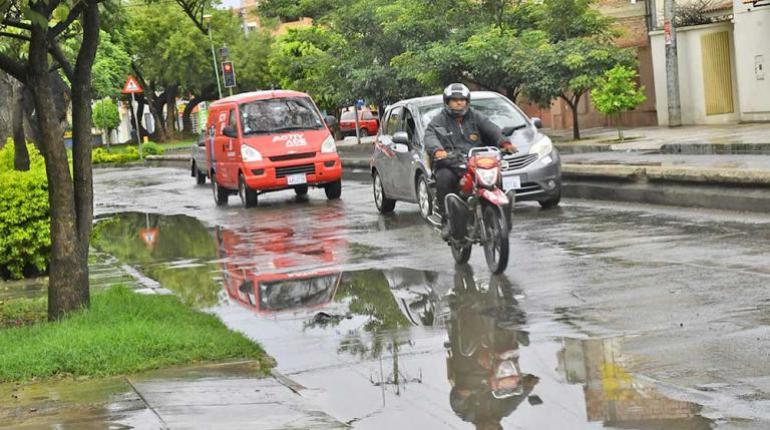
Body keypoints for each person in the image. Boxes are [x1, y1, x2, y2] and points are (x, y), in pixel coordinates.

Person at [424, 84, 517, 237]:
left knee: (496, 176)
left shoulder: (475, 116)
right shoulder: (438, 120)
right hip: (451, 162)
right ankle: (447, 221)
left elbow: (491, 128)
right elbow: (430, 136)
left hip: (475, 161)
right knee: (443, 178)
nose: (459, 103)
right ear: (447, 102)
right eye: (454, 100)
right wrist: (438, 150)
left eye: (462, 100)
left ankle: (500, 213)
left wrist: (504, 143)